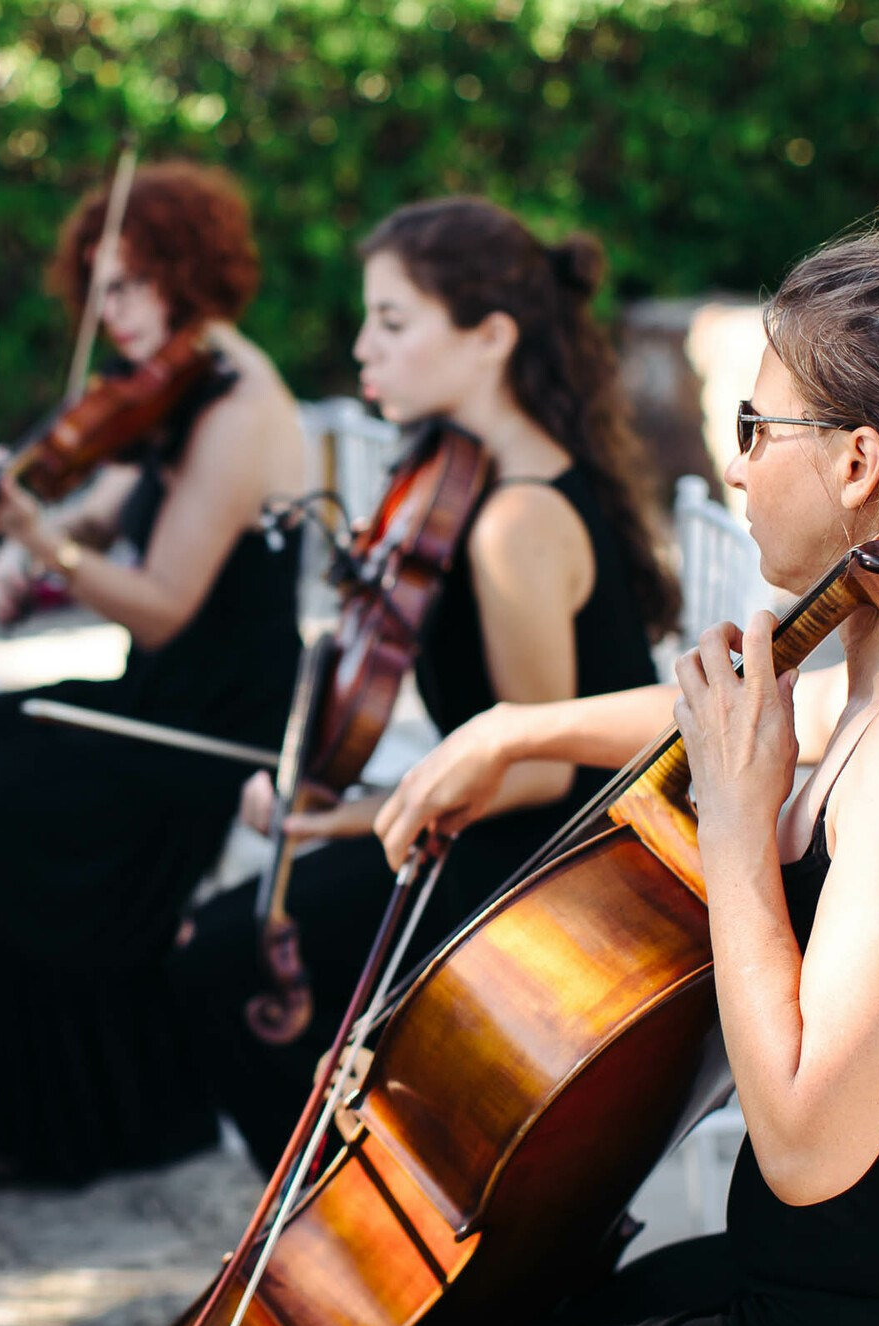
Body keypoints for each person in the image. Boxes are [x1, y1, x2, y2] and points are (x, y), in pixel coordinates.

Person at [374, 212, 879, 1326]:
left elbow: (803, 1147)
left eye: (754, 428)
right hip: (846, 1269)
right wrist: (515, 730)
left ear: (857, 462)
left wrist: (737, 829)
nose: (734, 465)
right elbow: (764, 713)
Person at [169, 197, 681, 1172]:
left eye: (392, 322)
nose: (363, 347)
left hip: (558, 858)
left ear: (490, 337)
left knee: (221, 957)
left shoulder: (513, 520)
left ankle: (344, 1220)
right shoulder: (466, 469)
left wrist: (344, 817)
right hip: (509, 823)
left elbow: (540, 773)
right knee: (237, 941)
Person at [0, 161, 307, 1188]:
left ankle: (48, 1118)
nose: (106, 309)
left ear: (185, 270)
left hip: (211, 729)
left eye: (127, 284)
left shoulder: (237, 402)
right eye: (98, 287)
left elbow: (161, 602)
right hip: (157, 694)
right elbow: (109, 510)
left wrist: (42, 541)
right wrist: (39, 550)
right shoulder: (175, 382)